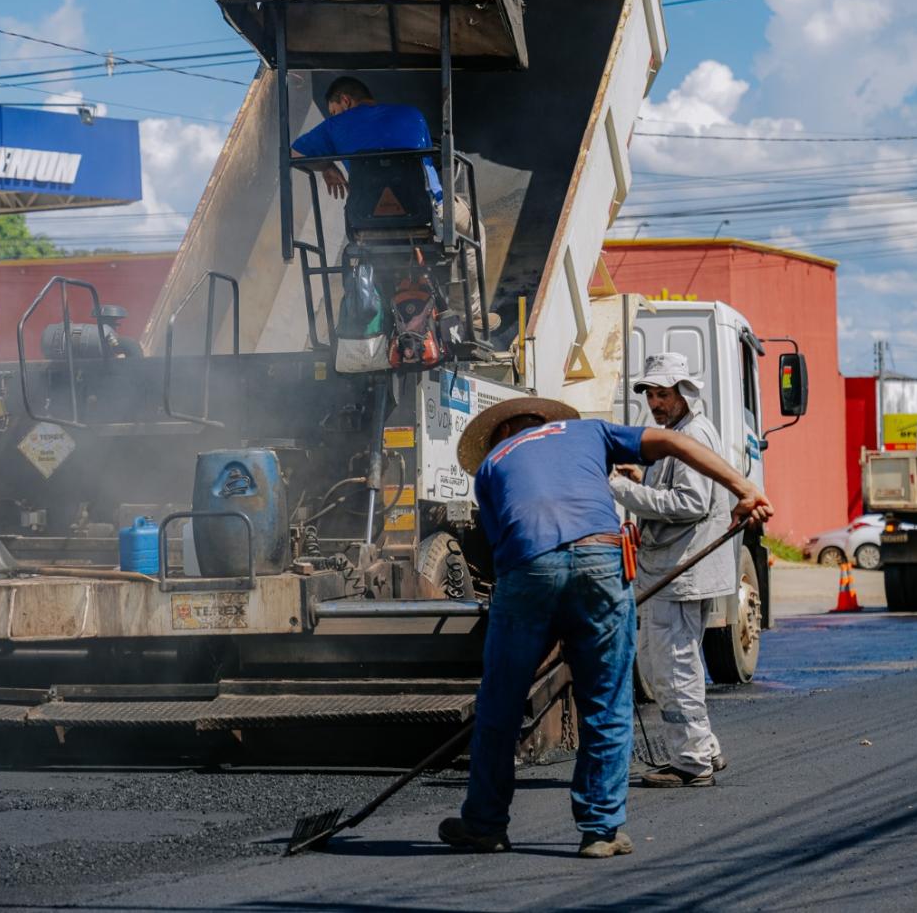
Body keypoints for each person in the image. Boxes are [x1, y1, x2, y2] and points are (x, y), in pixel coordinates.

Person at [437, 397, 772, 858]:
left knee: (500, 701)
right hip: (599, 558)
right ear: (545, 421)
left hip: (528, 568)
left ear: (505, 431)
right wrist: (743, 488)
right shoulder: (588, 432)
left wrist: (543, 631)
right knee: (606, 698)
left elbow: (507, 551)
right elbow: (675, 441)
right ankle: (601, 830)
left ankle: (485, 823)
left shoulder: (493, 465)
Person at [611, 353, 734, 788]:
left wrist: (624, 491)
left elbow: (690, 503)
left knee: (674, 669)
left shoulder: (692, 435)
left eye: (663, 394)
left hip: (681, 573)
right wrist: (642, 482)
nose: (656, 403)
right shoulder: (677, 435)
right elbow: (674, 492)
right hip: (673, 571)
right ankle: (703, 750)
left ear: (683, 392)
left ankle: (692, 761)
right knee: (670, 664)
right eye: (651, 395)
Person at [291, 76, 487, 325]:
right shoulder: (412, 114)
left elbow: (294, 154)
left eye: (333, 111)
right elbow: (426, 165)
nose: (333, 117)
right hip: (424, 211)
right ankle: (468, 313)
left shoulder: (334, 126)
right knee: (475, 231)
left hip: (365, 221)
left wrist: (327, 166)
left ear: (345, 100)